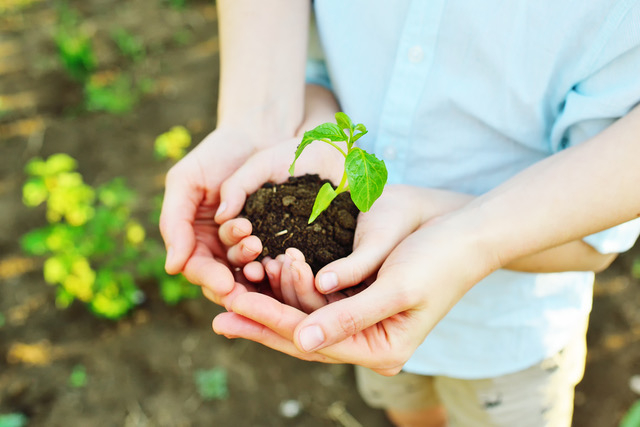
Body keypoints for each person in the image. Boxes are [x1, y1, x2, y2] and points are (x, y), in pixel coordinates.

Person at [161, 1, 640, 426]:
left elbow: (595, 240)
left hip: (508, 336)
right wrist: (257, 119)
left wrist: (459, 230)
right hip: (357, 299)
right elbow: (312, 68)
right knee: (408, 408)